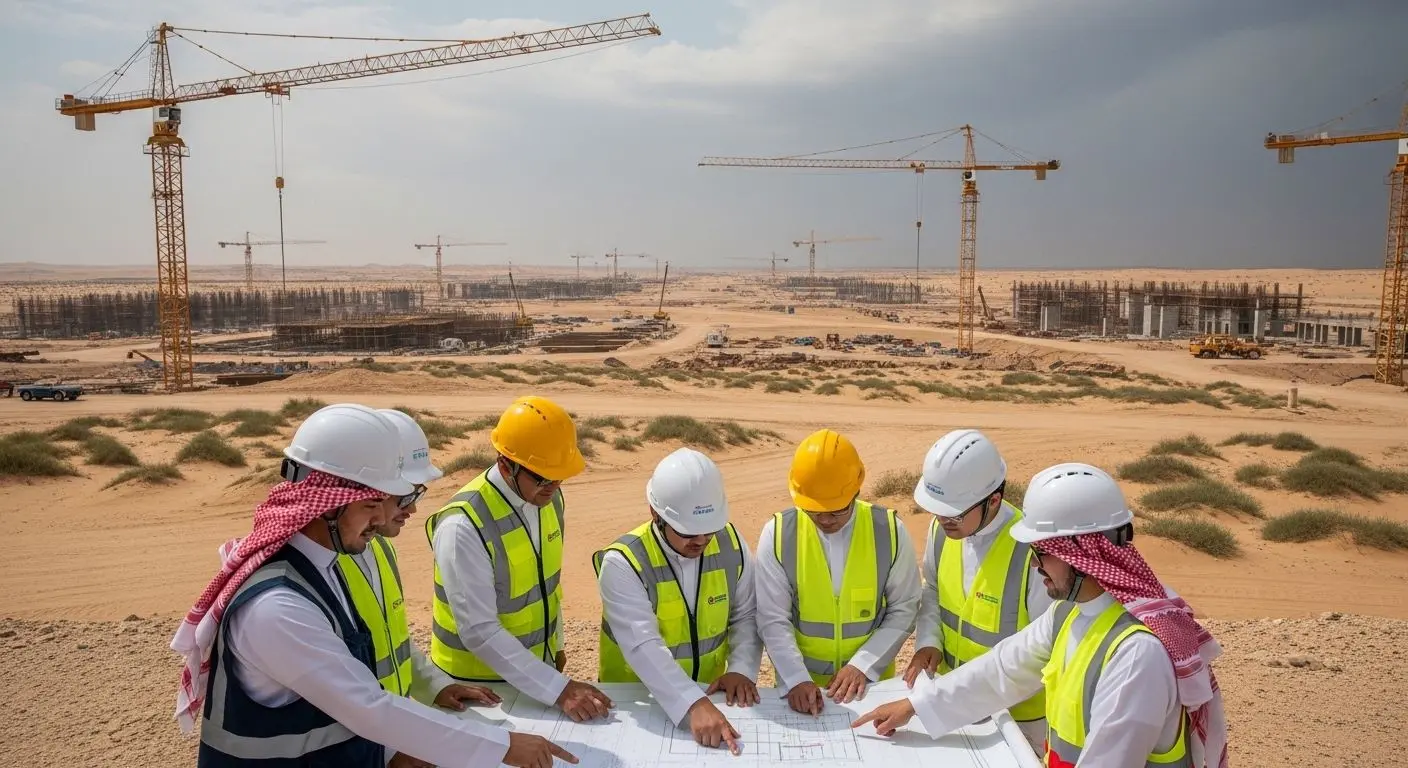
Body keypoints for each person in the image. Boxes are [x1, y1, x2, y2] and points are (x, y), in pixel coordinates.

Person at [170, 403, 576, 768]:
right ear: (330, 503)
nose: (386, 518)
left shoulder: (324, 568)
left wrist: (395, 743)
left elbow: (353, 692)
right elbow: (367, 706)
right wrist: (501, 745)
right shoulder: (277, 607)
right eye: (373, 504)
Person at [852, 462, 1231, 768]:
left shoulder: (1136, 655)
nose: (1035, 566)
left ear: (1078, 554)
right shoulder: (1067, 614)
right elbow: (1001, 670)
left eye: (1041, 553)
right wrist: (916, 706)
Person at [424, 395, 613, 722]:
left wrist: (556, 644)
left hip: (532, 678)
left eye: (559, 477)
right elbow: (479, 631)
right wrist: (559, 689)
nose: (553, 487)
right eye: (542, 477)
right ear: (505, 465)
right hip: (476, 694)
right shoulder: (464, 526)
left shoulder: (549, 499)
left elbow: (547, 586)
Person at [333, 409, 504, 768]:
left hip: (384, 738)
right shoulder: (325, 568)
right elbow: (328, 686)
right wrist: (391, 752)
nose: (411, 510)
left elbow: (392, 642)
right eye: (404, 497)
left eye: (417, 495)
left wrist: (436, 685)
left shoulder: (378, 549)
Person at [592, 448, 762, 754]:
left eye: (709, 531)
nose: (700, 541)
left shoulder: (730, 544)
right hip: (636, 705)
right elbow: (643, 645)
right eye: (687, 532)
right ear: (655, 514)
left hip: (712, 699)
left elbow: (745, 615)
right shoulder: (624, 563)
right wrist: (692, 704)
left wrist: (741, 669)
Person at [902, 429, 1053, 752]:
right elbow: (933, 592)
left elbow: (1040, 656)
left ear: (994, 500)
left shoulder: (1033, 555)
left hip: (1020, 723)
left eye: (953, 513)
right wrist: (929, 640)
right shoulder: (942, 531)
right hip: (952, 705)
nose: (942, 520)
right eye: (936, 511)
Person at [755, 428, 920, 715]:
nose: (825, 519)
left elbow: (904, 608)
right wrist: (796, 679)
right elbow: (772, 618)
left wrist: (863, 666)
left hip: (869, 688)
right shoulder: (779, 534)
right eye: (813, 511)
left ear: (857, 489)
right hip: (800, 692)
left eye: (837, 510)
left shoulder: (890, 532)